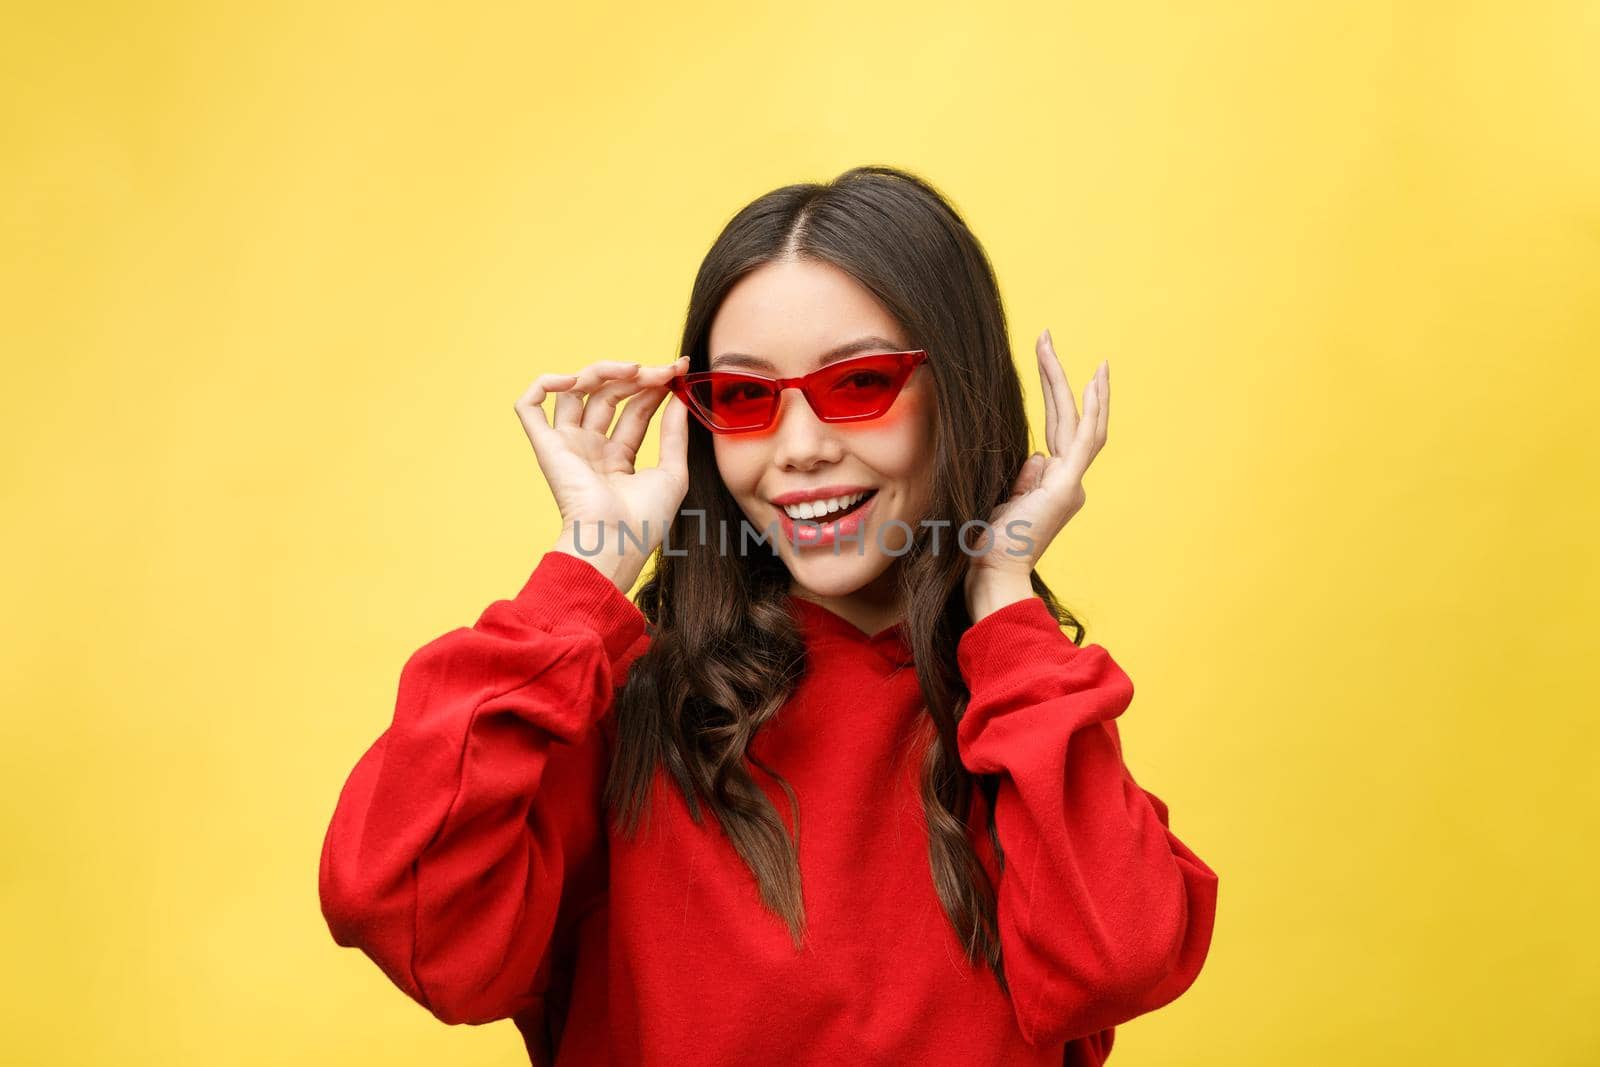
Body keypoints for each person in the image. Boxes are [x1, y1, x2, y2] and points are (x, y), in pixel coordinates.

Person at [318, 165, 1218, 1066]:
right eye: (747, 399)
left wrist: (1002, 596)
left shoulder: (1018, 718)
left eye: (860, 383)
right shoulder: (620, 713)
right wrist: (586, 569)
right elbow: (396, 903)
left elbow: (1119, 961)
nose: (800, 450)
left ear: (960, 392)